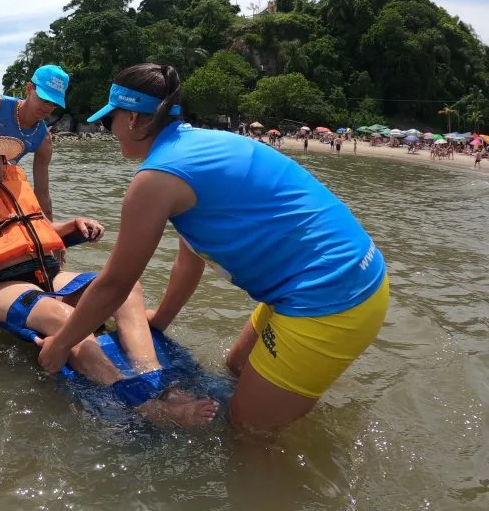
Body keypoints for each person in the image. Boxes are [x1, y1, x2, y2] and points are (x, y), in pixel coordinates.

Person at [36, 64, 390, 433]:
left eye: (110, 121)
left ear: (133, 119)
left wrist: (61, 344)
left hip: (330, 300)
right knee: (237, 367)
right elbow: (189, 263)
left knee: (247, 431)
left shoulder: (156, 180)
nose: (108, 131)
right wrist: (160, 321)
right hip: (354, 274)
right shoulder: (202, 146)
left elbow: (116, 283)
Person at [0, 129, 218, 428]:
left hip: (48, 275)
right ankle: (143, 403)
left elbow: (41, 229)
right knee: (62, 317)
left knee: (127, 288)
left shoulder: (15, 186)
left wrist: (74, 225)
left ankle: (158, 382)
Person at [0, 65, 69, 219]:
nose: (48, 107)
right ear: (29, 88)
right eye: (44, 99)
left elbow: (42, 192)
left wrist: (52, 233)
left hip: (0, 184)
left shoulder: (43, 140)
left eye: (54, 103)